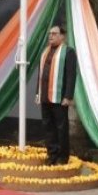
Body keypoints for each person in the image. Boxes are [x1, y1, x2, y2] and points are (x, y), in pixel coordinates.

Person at [34, 25, 77, 165]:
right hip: (45, 96)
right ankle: (52, 155)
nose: (51, 36)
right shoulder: (45, 51)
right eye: (50, 33)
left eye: (54, 33)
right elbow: (40, 75)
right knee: (48, 127)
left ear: (62, 36)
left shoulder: (68, 52)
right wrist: (37, 93)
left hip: (59, 98)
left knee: (61, 127)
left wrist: (68, 96)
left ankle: (62, 157)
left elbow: (71, 76)